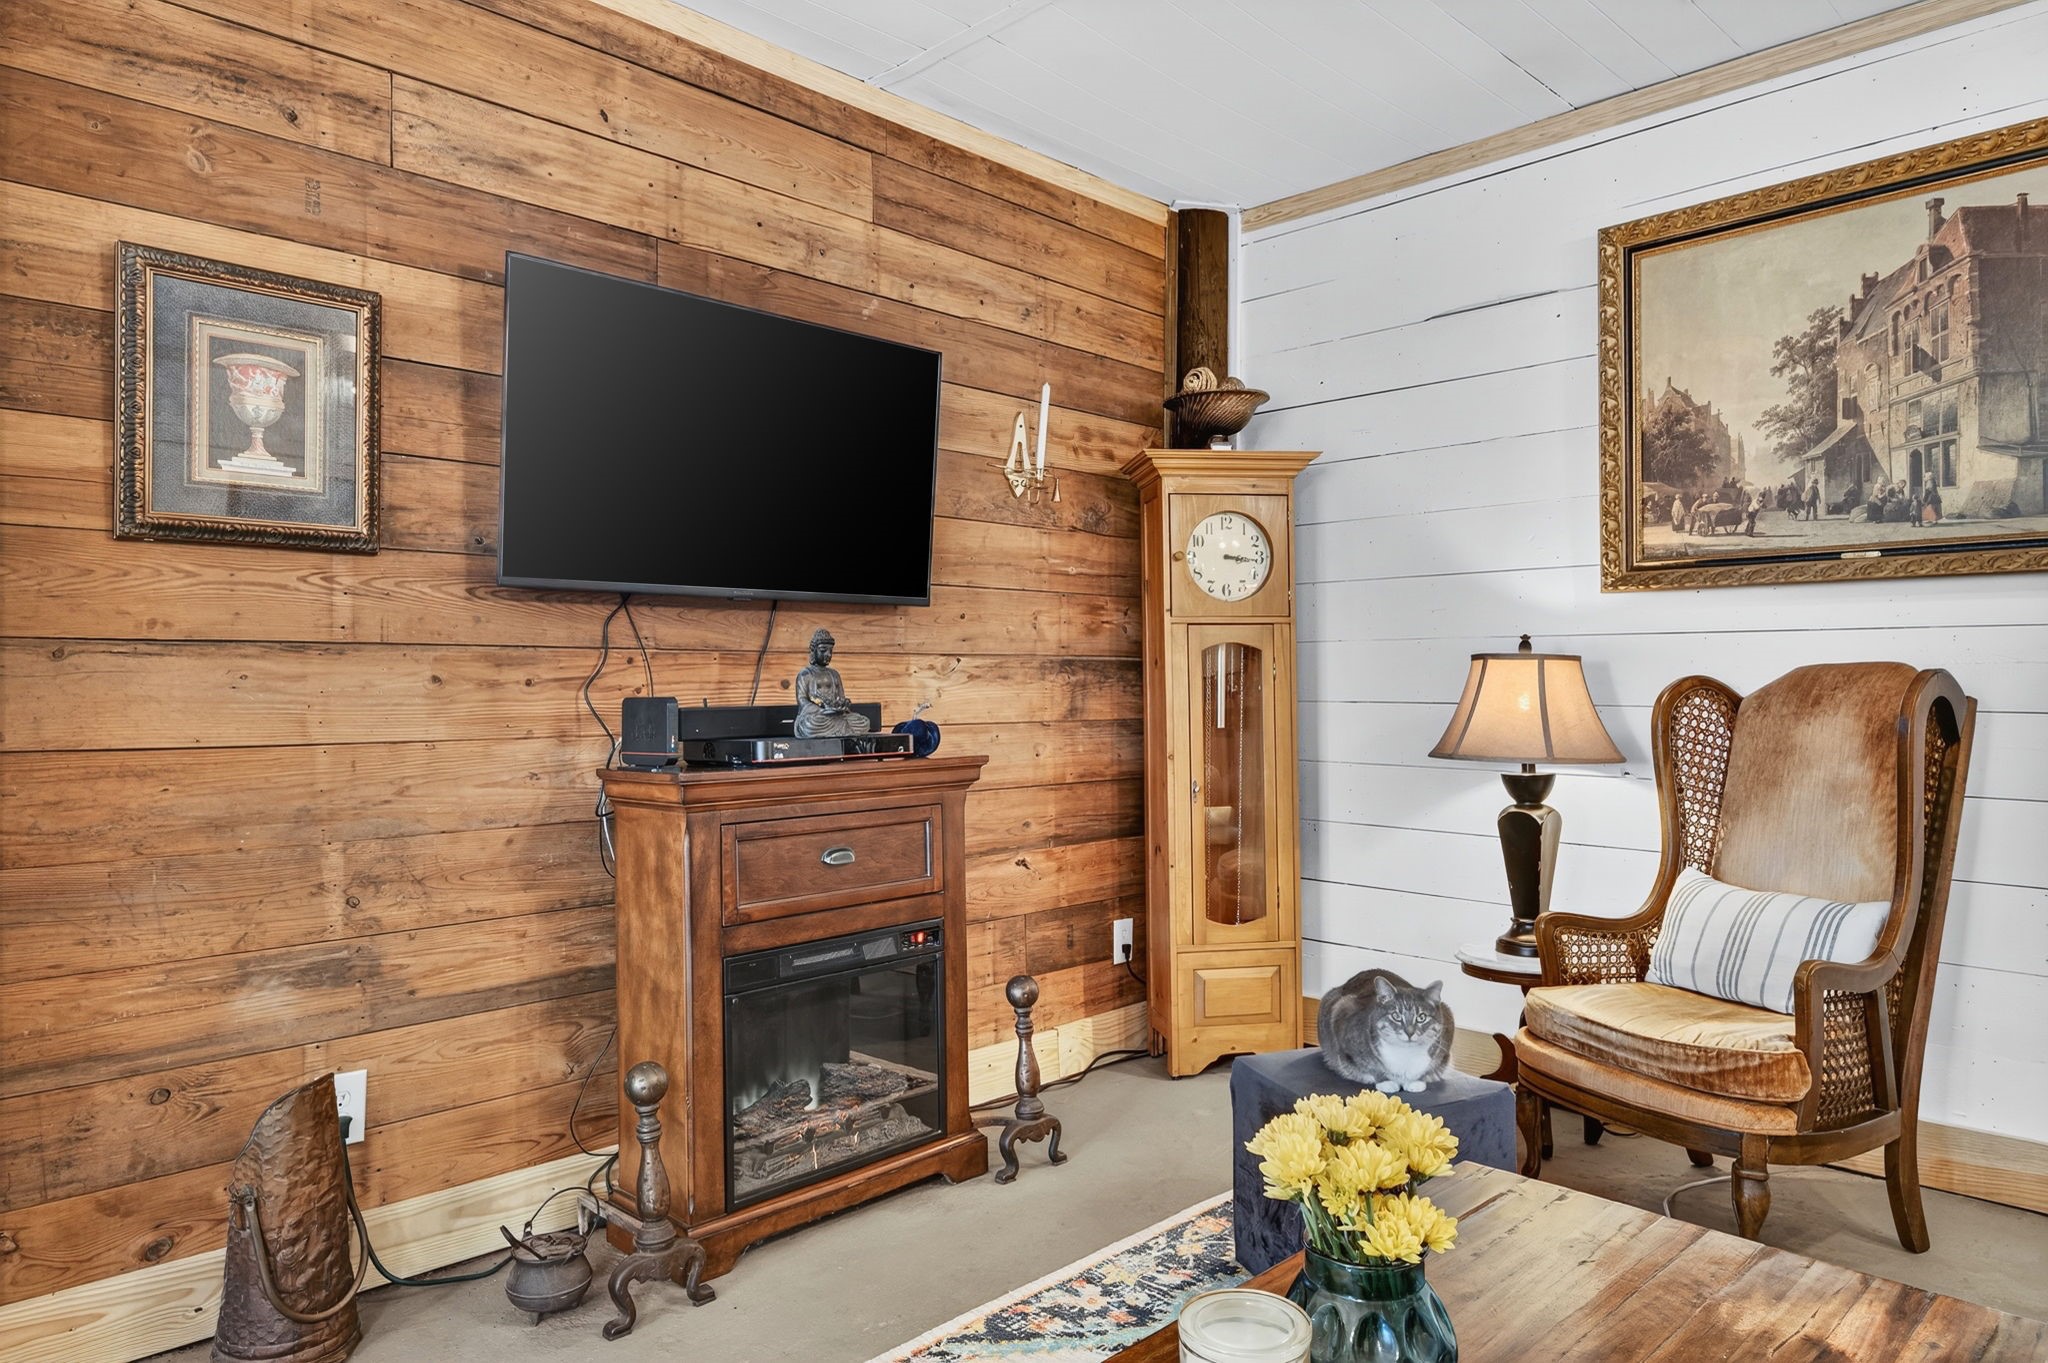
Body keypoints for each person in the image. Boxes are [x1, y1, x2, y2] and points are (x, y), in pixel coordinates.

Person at [793, 628, 872, 738]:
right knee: (809, 724)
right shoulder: (805, 674)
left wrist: (843, 704)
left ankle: (838, 728)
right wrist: (822, 710)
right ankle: (837, 728)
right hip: (818, 717)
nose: (828, 654)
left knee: (863, 721)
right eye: (823, 651)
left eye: (831, 651)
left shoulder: (834, 674)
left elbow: (840, 697)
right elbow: (802, 701)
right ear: (813, 651)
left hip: (836, 716)